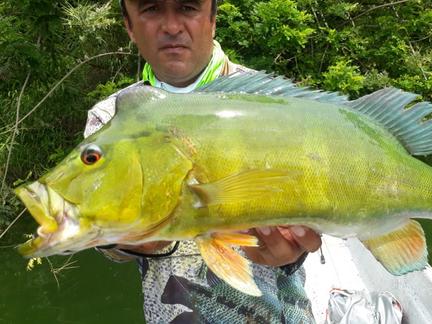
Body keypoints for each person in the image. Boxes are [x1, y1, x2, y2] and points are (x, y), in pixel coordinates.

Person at [84, 0, 322, 322]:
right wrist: (122, 239)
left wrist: (293, 252)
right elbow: (108, 244)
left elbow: (316, 214)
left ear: (212, 18)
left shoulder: (274, 102)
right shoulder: (110, 120)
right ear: (129, 26)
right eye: (151, 9)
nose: (171, 26)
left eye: (187, 7)